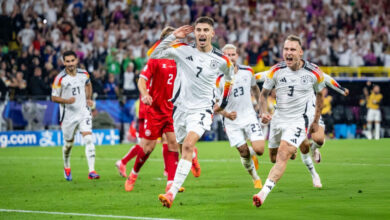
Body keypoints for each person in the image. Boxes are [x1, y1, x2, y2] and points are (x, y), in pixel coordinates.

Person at [149, 17, 233, 208]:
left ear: (212, 33)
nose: (202, 33)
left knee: (187, 145)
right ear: (194, 33)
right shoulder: (183, 50)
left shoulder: (222, 59)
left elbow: (230, 79)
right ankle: (192, 158)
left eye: (206, 30)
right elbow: (154, 55)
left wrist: (223, 102)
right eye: (198, 30)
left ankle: (171, 193)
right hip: (180, 108)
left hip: (202, 110)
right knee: (182, 147)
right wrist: (172, 36)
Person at [115, 27, 199, 193]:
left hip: (173, 110)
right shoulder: (155, 58)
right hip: (155, 110)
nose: (178, 42)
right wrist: (145, 94)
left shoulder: (180, 59)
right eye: (175, 39)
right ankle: (133, 173)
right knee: (147, 148)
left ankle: (170, 183)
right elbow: (141, 81)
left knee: (173, 144)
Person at [253, 35, 325, 207]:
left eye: (292, 49)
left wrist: (315, 121)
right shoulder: (275, 70)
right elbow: (263, 95)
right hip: (278, 118)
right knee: (272, 157)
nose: (288, 53)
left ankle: (263, 193)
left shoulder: (314, 72)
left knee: (283, 154)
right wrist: (263, 113)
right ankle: (297, 147)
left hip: (299, 119)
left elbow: (320, 97)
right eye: (286, 49)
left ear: (300, 52)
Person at [214, 44, 264, 189]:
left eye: (233, 54)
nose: (230, 57)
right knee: (243, 152)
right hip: (231, 121)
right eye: (227, 55)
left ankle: (252, 152)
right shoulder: (217, 79)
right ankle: (256, 178)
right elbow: (215, 105)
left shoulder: (248, 71)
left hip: (248, 116)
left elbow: (255, 87)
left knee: (260, 150)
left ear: (237, 56)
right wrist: (226, 114)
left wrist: (261, 108)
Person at [51, 50, 99, 181]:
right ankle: (66, 165)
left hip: (84, 112)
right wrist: (66, 101)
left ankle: (92, 171)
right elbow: (53, 97)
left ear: (76, 60)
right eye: (67, 61)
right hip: (68, 116)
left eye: (72, 60)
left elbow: (88, 84)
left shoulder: (84, 74)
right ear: (63, 62)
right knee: (68, 145)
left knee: (88, 139)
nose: (70, 63)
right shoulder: (60, 79)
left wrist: (88, 98)